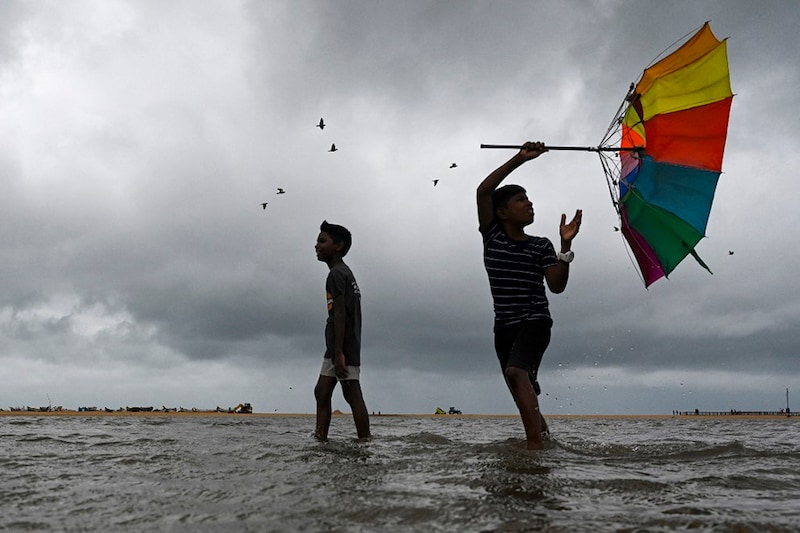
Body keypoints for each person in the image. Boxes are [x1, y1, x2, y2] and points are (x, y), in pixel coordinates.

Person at [476, 141, 582, 450]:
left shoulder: (541, 245)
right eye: (522, 200)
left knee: (515, 372)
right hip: (504, 328)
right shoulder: (492, 235)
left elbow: (557, 286)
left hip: (535, 322)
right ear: (501, 212)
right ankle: (546, 442)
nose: (530, 204)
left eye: (529, 199)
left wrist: (564, 247)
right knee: (520, 387)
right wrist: (520, 158)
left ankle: (534, 450)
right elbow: (483, 191)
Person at [313, 220, 371, 441]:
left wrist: (338, 353)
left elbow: (339, 314)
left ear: (338, 246)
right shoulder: (344, 273)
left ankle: (365, 441)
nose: (317, 246)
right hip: (339, 344)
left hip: (343, 345)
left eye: (322, 241)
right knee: (322, 391)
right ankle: (320, 439)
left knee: (352, 393)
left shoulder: (337, 274)